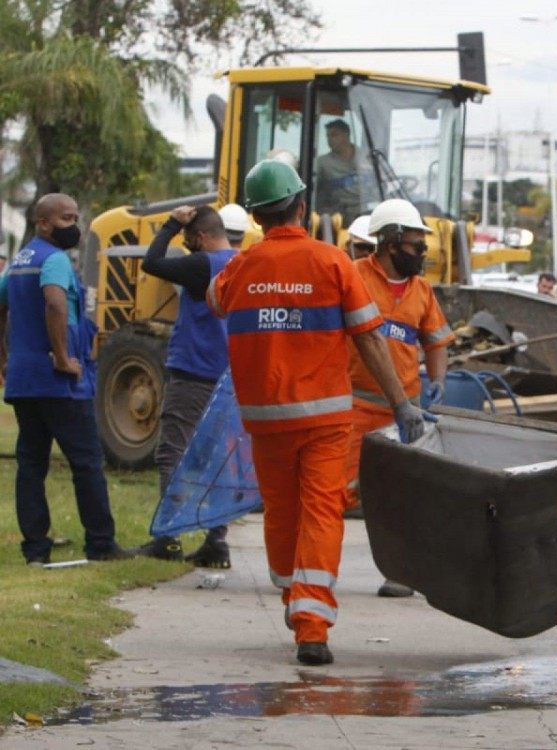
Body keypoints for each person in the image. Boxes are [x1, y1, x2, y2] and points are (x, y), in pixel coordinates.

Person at [207, 159, 431, 666]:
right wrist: (402, 403)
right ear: (302, 207)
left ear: (259, 217)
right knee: (321, 511)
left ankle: (293, 596)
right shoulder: (333, 263)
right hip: (328, 419)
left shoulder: (241, 267)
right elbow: (370, 340)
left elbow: (214, 299)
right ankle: (311, 626)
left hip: (266, 420)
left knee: (282, 512)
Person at [0, 193, 132, 564]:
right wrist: (62, 357)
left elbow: (2, 306)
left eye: (76, 217)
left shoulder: (18, 261)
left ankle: (35, 550)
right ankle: (101, 544)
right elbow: (56, 304)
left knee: (31, 464)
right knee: (87, 461)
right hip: (58, 380)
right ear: (43, 223)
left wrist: (6, 357)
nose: (73, 225)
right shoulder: (54, 259)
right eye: (65, 219)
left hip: (24, 380)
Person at [343, 199, 453, 599]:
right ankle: (308, 568)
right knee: (334, 491)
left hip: (404, 413)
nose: (422, 254)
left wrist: (437, 378)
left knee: (401, 497)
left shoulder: (422, 292)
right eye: (415, 246)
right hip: (354, 406)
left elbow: (436, 341)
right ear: (389, 244)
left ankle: (400, 573)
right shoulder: (353, 277)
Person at [135, 205, 238, 567]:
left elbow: (151, 263)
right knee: (218, 460)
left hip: (195, 371)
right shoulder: (241, 263)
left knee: (171, 453)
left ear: (203, 236)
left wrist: (170, 225)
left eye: (190, 239)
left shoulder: (202, 264)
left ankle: (168, 536)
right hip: (229, 375)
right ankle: (217, 542)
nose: (189, 245)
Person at [314, 119, 364, 220]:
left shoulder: (367, 158)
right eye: (328, 136)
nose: (329, 140)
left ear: (347, 135)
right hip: (339, 218)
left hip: (366, 213)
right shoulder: (322, 163)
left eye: (334, 135)